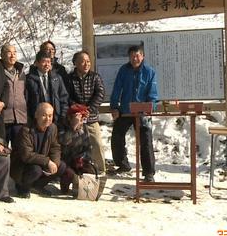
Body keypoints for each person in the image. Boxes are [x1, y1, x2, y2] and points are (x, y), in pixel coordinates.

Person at [110, 45, 159, 182]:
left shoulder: (150, 72)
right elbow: (117, 89)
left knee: (146, 140)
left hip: (142, 112)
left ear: (142, 56)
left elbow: (153, 94)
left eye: (137, 55)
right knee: (117, 136)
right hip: (125, 110)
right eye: (132, 56)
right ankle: (123, 164)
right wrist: (114, 107)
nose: (135, 58)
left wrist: (150, 107)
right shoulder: (123, 70)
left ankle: (149, 172)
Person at [11, 103, 73, 198]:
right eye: (44, 115)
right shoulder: (26, 130)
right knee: (36, 170)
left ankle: (38, 185)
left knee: (61, 166)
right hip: (23, 166)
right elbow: (26, 155)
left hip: (40, 162)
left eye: (50, 116)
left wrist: (54, 163)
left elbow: (55, 147)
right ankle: (22, 187)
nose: (47, 119)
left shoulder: (52, 128)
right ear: (36, 115)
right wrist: (47, 161)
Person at [67, 50, 106, 174]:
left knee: (97, 144)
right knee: (76, 146)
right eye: (83, 61)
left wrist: (89, 109)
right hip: (76, 118)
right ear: (76, 63)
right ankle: (76, 171)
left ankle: (100, 170)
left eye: (88, 61)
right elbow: (66, 96)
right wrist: (78, 110)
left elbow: (100, 94)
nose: (86, 64)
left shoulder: (95, 77)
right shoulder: (69, 79)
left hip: (91, 117)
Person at [25, 50, 69, 130]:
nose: (47, 65)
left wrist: (62, 115)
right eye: (44, 62)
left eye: (49, 62)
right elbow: (26, 101)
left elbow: (64, 98)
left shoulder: (57, 78)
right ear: (37, 63)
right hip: (36, 121)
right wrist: (30, 118)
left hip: (55, 119)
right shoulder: (29, 79)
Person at [0, 44, 27, 149]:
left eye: (14, 53)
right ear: (2, 55)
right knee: (2, 150)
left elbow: (25, 93)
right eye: (9, 52)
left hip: (20, 117)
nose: (12, 56)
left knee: (19, 150)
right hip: (3, 117)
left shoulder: (21, 72)